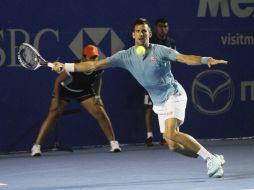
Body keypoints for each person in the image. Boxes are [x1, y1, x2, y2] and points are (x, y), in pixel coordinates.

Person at [52, 18, 228, 178]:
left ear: (149, 33)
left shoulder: (160, 51)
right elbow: (94, 64)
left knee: (171, 133)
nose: (141, 33)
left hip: (174, 94)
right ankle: (210, 159)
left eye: (145, 30)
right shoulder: (125, 56)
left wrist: (206, 60)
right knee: (172, 145)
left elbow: (185, 58)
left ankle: (210, 158)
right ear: (133, 35)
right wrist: (67, 66)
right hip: (158, 101)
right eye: (138, 31)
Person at [31, 45, 121, 156]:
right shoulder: (74, 68)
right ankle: (36, 146)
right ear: (83, 58)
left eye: (95, 57)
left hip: (84, 91)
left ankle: (113, 143)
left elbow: (98, 79)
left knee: (100, 112)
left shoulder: (98, 67)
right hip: (65, 90)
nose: (94, 60)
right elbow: (58, 82)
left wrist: (98, 96)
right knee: (53, 114)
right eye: (91, 57)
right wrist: (56, 101)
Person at [145, 17, 176, 146]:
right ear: (155, 28)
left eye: (165, 27)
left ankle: (165, 136)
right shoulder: (149, 42)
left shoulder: (171, 42)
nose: (163, 29)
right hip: (150, 81)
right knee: (149, 107)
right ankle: (149, 135)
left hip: (165, 82)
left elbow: (172, 59)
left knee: (166, 107)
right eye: (160, 26)